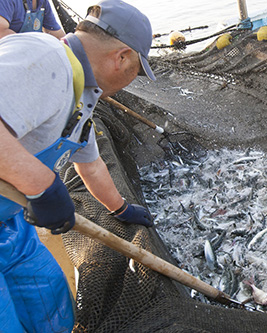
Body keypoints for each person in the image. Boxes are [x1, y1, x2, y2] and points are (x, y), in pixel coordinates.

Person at [0, 0, 156, 331]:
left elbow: (92, 164)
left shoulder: (80, 93)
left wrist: (121, 209)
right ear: (122, 57)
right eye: (136, 71)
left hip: (11, 225)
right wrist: (41, 184)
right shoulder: (42, 57)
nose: (132, 79)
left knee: (49, 299)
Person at [0, 0, 66, 38]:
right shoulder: (7, 1)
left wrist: (70, 45)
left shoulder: (42, 2)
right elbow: (1, 31)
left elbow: (56, 33)